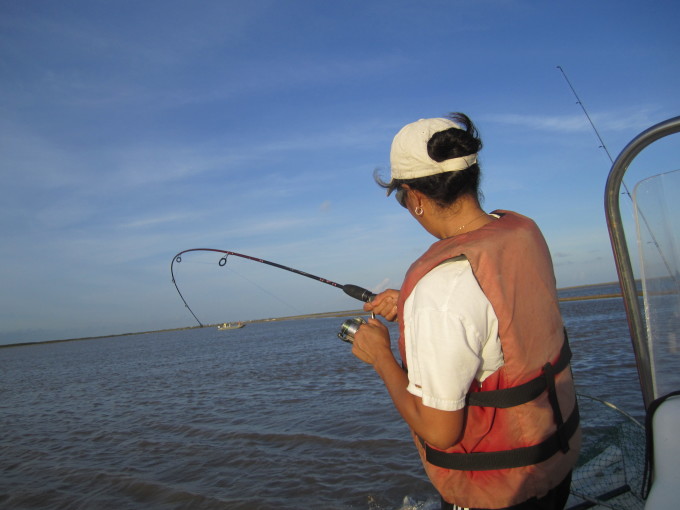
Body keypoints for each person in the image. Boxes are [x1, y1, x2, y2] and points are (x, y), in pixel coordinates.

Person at [352, 113, 580, 510]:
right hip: (555, 461)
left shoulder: (442, 289)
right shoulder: (520, 232)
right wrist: (412, 298)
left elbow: (440, 432)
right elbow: (494, 306)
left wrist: (381, 358)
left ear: (416, 197)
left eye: (403, 199)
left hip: (499, 492)